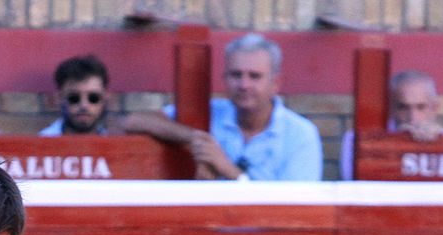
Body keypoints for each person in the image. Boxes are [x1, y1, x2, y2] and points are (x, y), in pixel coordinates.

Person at [123, 34, 322, 181]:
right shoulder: (211, 113)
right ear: (224, 79)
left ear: (276, 83)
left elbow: (293, 211)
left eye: (254, 76)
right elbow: (132, 121)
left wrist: (227, 169)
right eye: (236, 75)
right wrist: (193, 137)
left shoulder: (301, 135)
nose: (244, 85)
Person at [338, 69, 443, 179]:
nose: (413, 118)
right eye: (403, 108)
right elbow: (355, 184)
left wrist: (437, 144)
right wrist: (397, 141)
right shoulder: (359, 140)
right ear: (390, 108)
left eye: (421, 107)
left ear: (434, 108)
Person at [39, 54, 109, 136]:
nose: (84, 106)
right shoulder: (40, 144)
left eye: (93, 98)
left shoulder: (113, 143)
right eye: (74, 98)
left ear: (104, 98)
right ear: (59, 98)